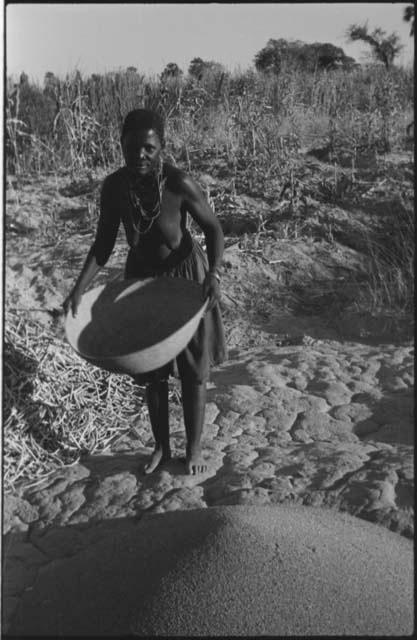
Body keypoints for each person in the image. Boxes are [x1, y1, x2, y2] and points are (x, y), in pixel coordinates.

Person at [63, 108, 226, 476]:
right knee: (150, 368)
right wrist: (78, 290)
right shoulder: (115, 188)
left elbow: (214, 229)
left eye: (149, 148)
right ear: (121, 145)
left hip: (187, 276)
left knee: (192, 370)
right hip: (141, 280)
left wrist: (214, 273)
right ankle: (161, 446)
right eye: (133, 147)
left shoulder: (178, 184)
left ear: (162, 147)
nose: (140, 155)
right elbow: (103, 245)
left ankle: (195, 448)